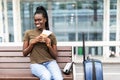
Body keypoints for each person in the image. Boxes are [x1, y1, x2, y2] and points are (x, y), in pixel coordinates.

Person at [23, 6, 63, 80]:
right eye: (35, 20)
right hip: (36, 64)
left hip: (50, 62)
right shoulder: (28, 33)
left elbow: (55, 56)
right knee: (46, 76)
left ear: (45, 19)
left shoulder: (51, 35)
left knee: (58, 78)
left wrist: (49, 45)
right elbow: (24, 53)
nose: (37, 22)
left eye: (39, 20)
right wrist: (32, 43)